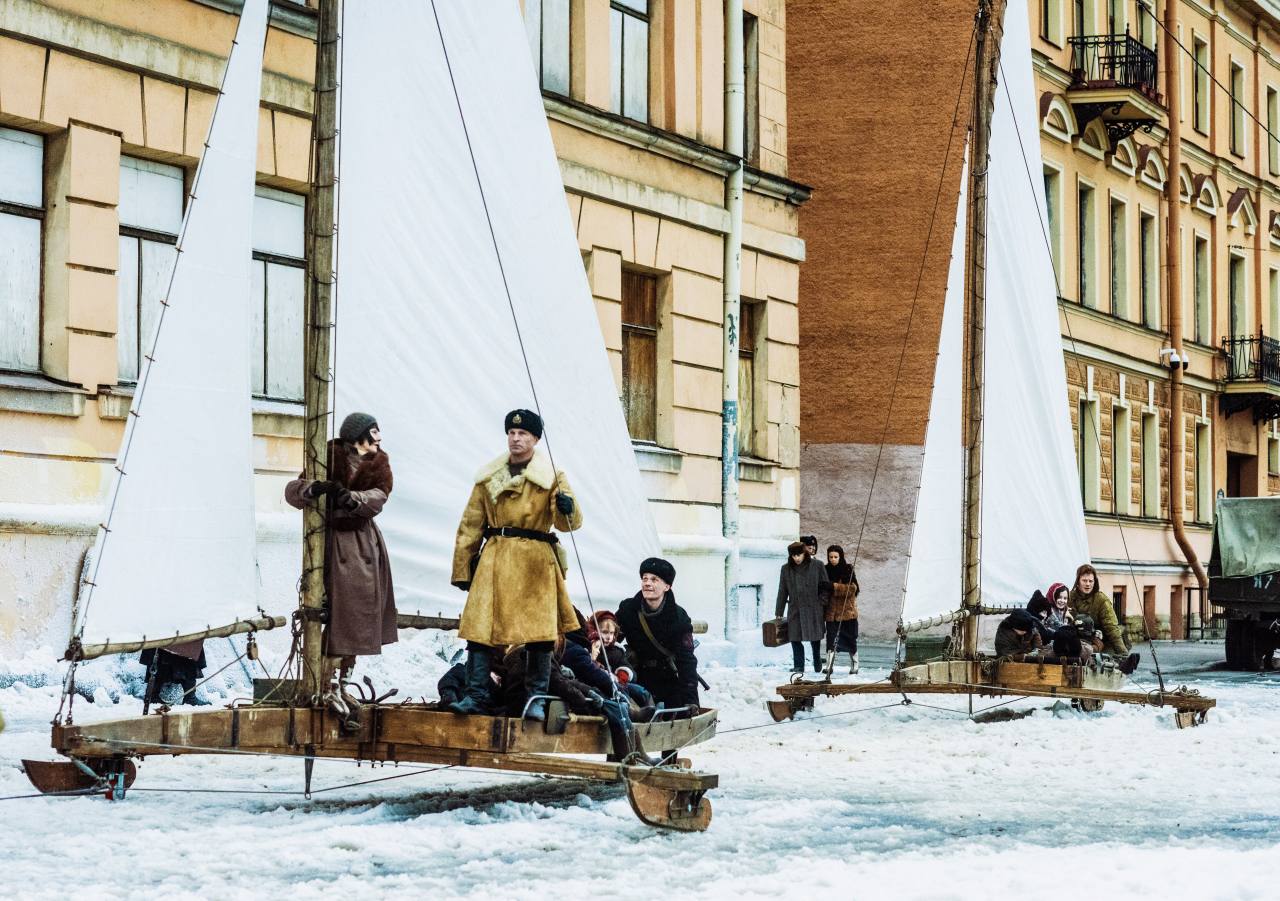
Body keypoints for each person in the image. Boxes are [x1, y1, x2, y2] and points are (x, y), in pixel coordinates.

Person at [448, 409, 583, 720]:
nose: (516, 438)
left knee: (539, 635)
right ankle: (476, 695)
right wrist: (463, 568)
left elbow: (568, 524)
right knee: (479, 631)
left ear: (535, 439)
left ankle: (535, 697)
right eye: (511, 432)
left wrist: (567, 507)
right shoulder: (488, 478)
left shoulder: (552, 476)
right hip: (495, 557)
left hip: (535, 560)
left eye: (523, 434)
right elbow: (470, 525)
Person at [284, 411, 396, 691]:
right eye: (373, 432)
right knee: (324, 610)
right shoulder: (326, 456)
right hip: (327, 544)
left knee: (356, 613)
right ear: (359, 435)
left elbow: (379, 497)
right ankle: (322, 679)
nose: (378, 438)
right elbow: (291, 491)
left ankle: (342, 679)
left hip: (360, 546)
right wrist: (314, 488)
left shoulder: (380, 463)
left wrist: (350, 497)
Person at [616, 557, 701, 710]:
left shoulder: (679, 617)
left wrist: (691, 700)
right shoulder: (628, 609)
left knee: (674, 716)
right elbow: (611, 639)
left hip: (667, 680)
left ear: (667, 586)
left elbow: (686, 660)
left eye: (654, 579)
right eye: (645, 578)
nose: (647, 583)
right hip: (636, 676)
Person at [1069, 563, 1140, 674]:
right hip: (1080, 638)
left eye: (1090, 581)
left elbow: (1112, 628)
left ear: (1095, 582)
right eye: (1084, 580)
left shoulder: (1101, 600)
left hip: (1104, 640)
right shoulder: (1070, 597)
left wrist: (1124, 655)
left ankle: (1123, 663)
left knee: (1105, 662)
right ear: (1078, 581)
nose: (1088, 584)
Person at [776, 540, 832, 674]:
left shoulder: (817, 565)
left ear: (804, 553)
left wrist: (821, 602)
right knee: (794, 637)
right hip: (795, 607)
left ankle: (817, 660)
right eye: (793, 556)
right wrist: (779, 610)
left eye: (799, 555)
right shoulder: (786, 568)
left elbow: (825, 586)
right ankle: (799, 666)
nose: (796, 558)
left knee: (815, 637)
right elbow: (782, 590)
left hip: (814, 607)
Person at [824, 544, 860, 674]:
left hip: (847, 612)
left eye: (835, 557)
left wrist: (834, 587)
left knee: (850, 638)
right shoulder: (825, 569)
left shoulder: (847, 569)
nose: (833, 559)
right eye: (830, 557)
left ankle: (855, 664)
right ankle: (829, 666)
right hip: (831, 612)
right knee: (831, 639)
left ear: (840, 557)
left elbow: (853, 589)